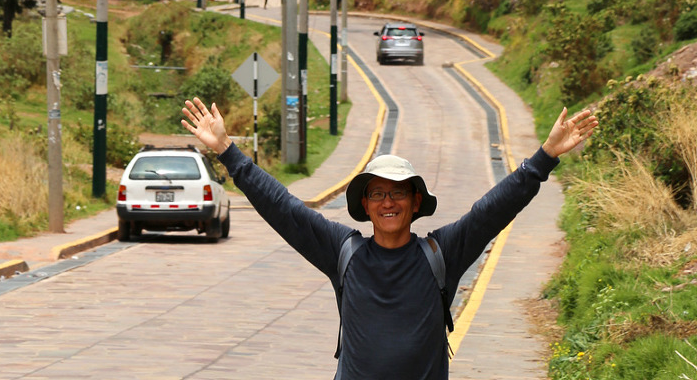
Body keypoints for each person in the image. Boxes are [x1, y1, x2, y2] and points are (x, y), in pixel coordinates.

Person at [181, 97, 597, 380]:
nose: (387, 202)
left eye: (397, 191)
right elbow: (283, 208)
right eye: (377, 193)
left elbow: (492, 211)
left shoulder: (441, 253)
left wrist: (544, 158)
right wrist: (227, 151)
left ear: (416, 201)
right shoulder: (343, 252)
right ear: (366, 204)